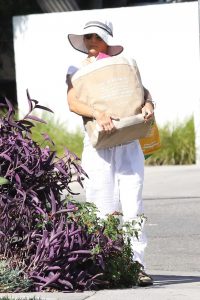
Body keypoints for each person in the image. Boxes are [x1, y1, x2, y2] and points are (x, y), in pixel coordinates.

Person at [66, 19, 154, 286]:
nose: (91, 42)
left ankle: (137, 266)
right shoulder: (76, 70)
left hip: (128, 139)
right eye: (87, 37)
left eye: (96, 37)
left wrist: (149, 105)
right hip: (98, 144)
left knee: (132, 204)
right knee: (101, 204)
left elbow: (143, 92)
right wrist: (98, 113)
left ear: (106, 40)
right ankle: (104, 265)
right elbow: (72, 102)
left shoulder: (124, 64)